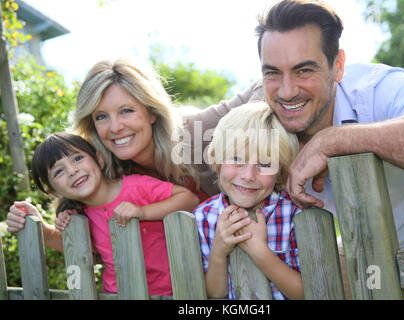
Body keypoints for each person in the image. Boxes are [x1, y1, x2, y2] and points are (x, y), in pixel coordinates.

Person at [254, 0, 404, 254]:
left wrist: (333, 141)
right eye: (272, 73)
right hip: (379, 255)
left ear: (338, 66)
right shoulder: (260, 116)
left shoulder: (375, 89)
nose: (287, 91)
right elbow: (199, 137)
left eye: (303, 70)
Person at [6, 58, 261, 245]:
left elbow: (264, 85)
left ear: (150, 111)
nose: (116, 127)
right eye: (102, 116)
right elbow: (102, 246)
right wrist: (44, 229)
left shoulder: (195, 131)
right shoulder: (104, 175)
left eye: (126, 110)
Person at [10, 132, 198, 295]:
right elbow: (85, 251)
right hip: (118, 294)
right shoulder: (78, 215)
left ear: (99, 159)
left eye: (77, 158)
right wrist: (41, 227)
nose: (73, 171)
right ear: (53, 191)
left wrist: (143, 211)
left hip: (173, 291)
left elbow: (189, 199)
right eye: (59, 171)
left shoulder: (137, 187)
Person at [194, 102, 304, 300]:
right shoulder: (204, 217)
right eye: (237, 159)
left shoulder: (295, 216)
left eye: (264, 164)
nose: (248, 175)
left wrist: (260, 252)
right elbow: (214, 295)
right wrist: (218, 252)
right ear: (216, 159)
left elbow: (310, 293)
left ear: (280, 171)